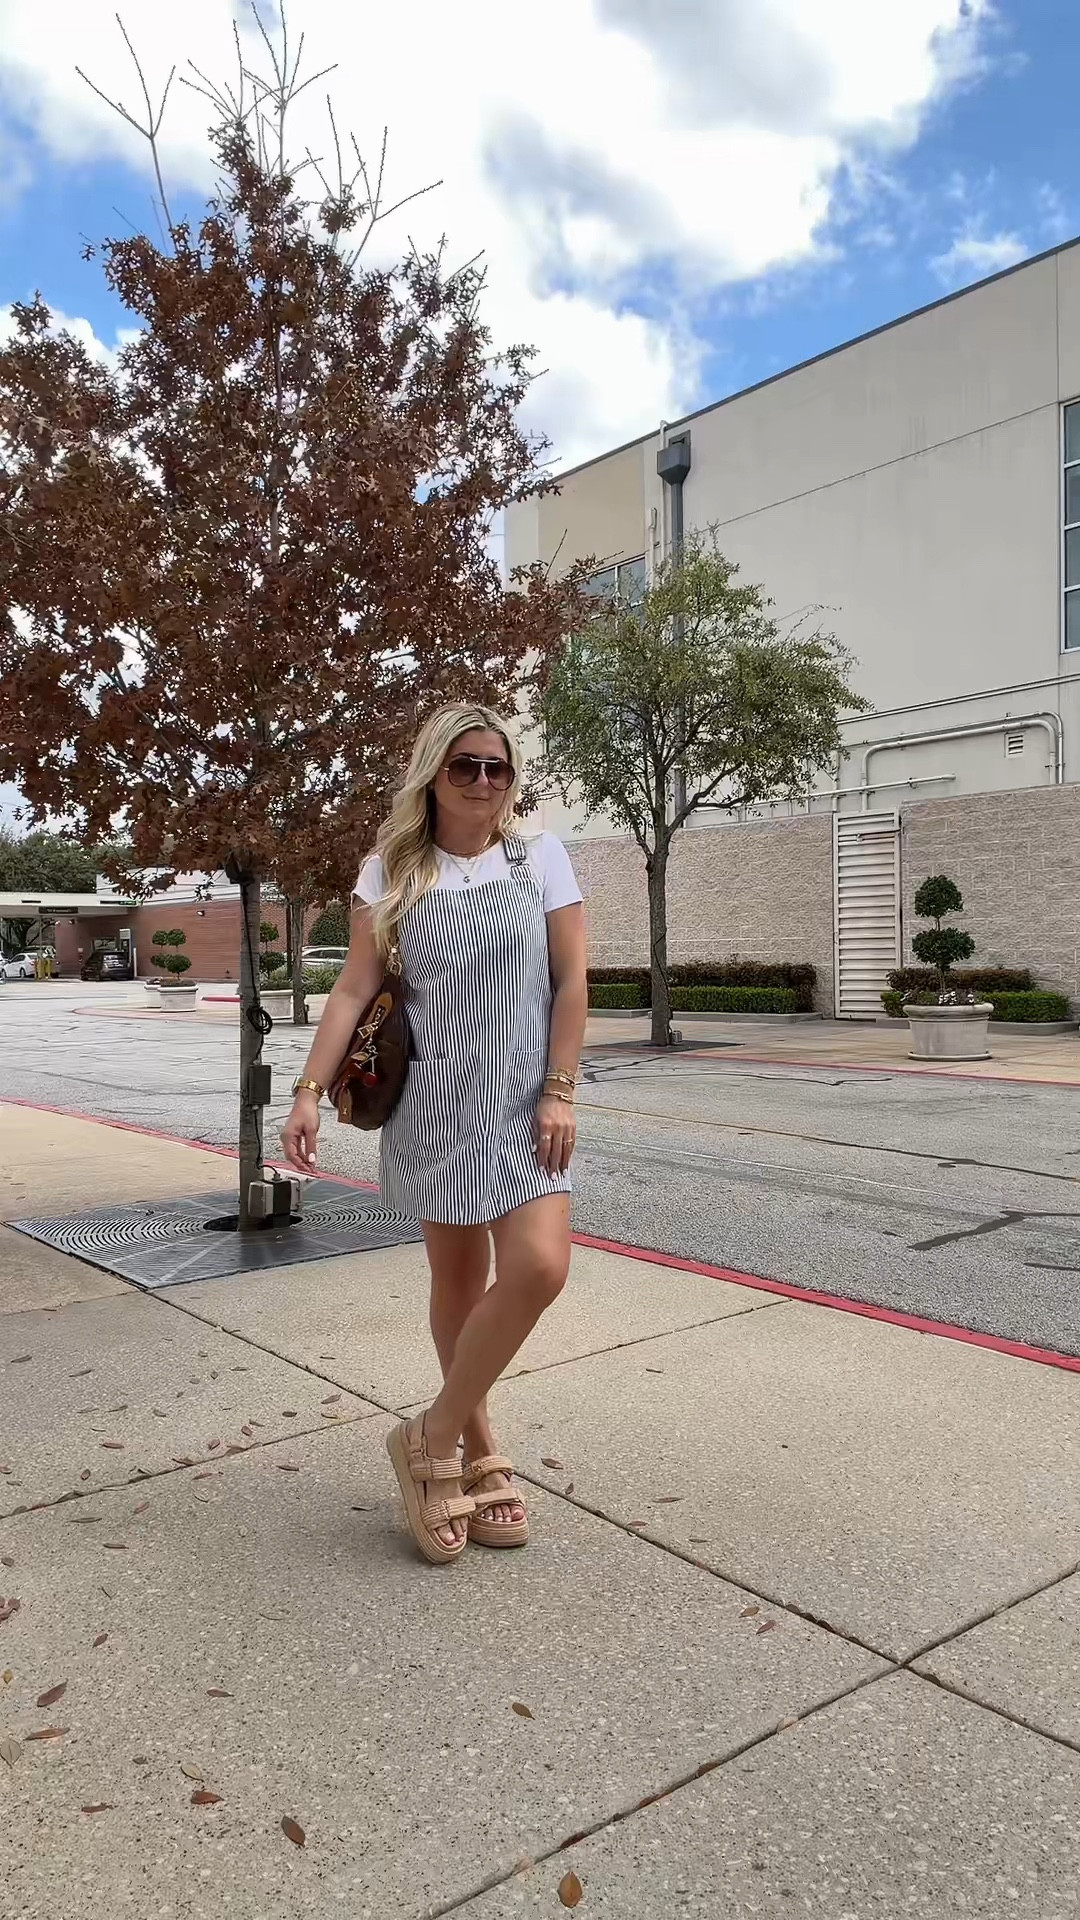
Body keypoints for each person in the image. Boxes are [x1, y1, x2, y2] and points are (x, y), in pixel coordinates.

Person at [280, 704, 588, 1564]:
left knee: (539, 1266)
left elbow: (571, 986)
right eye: (466, 767)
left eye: (498, 767)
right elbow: (352, 991)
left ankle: (430, 1437)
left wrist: (560, 1090)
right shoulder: (392, 870)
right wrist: (308, 1091)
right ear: (433, 774)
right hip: (432, 1105)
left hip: (528, 1104)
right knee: (458, 1281)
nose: (485, 782)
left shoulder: (542, 860)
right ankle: (480, 1451)